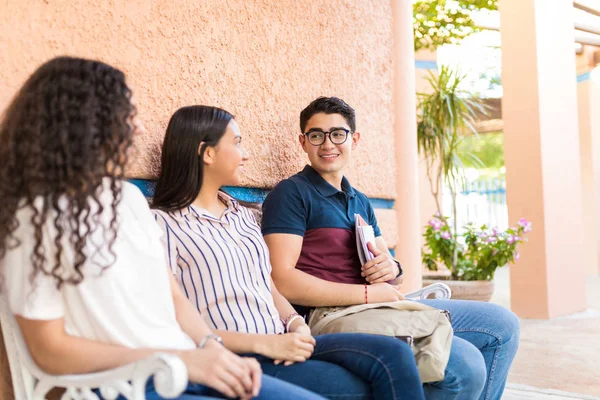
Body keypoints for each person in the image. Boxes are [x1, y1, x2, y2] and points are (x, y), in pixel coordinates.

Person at [0, 56, 326, 400]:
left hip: (183, 367)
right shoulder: (32, 218)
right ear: (85, 125)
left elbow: (172, 297)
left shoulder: (127, 198)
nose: (138, 128)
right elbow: (49, 350)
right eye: (127, 116)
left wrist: (213, 350)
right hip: (126, 384)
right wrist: (176, 359)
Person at [151, 105, 427, 400]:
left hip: (286, 338)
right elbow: (171, 317)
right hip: (239, 354)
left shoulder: (240, 215)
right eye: (237, 143)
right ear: (208, 153)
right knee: (357, 387)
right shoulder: (161, 224)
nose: (245, 154)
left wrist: (296, 325)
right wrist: (264, 345)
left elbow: (266, 284)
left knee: (395, 353)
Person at [261, 96, 521, 400]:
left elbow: (388, 265)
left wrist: (392, 268)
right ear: (303, 142)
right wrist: (369, 294)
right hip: (330, 315)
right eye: (316, 135)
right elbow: (282, 279)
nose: (327, 144)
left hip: (379, 306)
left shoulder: (359, 199)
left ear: (354, 139)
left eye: (338, 134)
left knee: (503, 326)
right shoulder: (292, 193)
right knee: (463, 365)